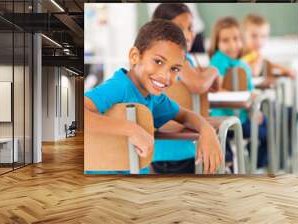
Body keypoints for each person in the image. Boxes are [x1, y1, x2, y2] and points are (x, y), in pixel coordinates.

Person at [84, 20, 223, 174]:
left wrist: (207, 131)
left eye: (175, 69)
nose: (165, 76)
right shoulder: (120, 86)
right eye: (158, 61)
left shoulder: (155, 98)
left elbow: (185, 115)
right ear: (135, 56)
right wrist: (132, 130)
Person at [150, 3, 221, 174]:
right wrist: (214, 70)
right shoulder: (178, 57)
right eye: (180, 28)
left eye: (190, 27)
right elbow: (197, 84)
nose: (188, 34)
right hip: (185, 152)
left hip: (156, 154)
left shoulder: (153, 61)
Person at [209, 17, 268, 170]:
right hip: (224, 120)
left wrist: (254, 106)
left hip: (241, 117)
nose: (232, 45)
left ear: (242, 41)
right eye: (225, 40)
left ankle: (256, 164)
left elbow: (249, 91)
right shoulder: (218, 60)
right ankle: (255, 165)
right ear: (217, 43)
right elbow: (217, 87)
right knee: (267, 133)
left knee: (269, 128)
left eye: (236, 39)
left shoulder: (243, 66)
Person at [241, 13, 296, 85]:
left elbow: (269, 64)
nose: (258, 41)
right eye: (254, 36)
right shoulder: (240, 53)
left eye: (263, 36)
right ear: (243, 35)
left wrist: (285, 70)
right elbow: (254, 72)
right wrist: (258, 59)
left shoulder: (255, 54)